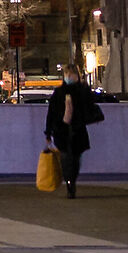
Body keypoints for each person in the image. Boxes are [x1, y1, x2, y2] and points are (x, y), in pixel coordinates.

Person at [43, 64, 104, 198]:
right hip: (62, 130)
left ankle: (72, 180)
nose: (69, 77)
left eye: (71, 74)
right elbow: (51, 113)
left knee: (75, 158)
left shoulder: (83, 91)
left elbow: (90, 105)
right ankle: (69, 182)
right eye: (67, 74)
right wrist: (48, 132)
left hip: (77, 129)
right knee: (65, 158)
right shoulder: (59, 93)